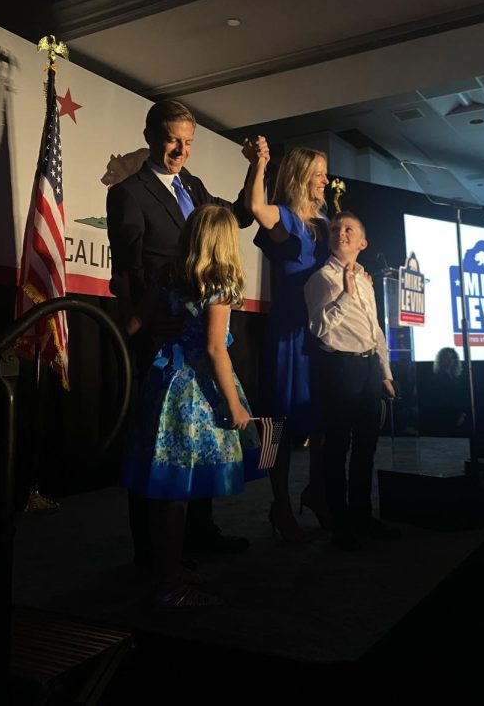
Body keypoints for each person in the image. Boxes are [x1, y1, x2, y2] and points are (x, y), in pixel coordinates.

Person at [107, 99, 268, 562]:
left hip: (197, 339)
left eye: (188, 142)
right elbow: (127, 270)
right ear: (150, 136)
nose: (180, 150)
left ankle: (199, 534)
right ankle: (150, 553)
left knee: (200, 438)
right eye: (172, 139)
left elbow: (237, 215)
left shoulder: (193, 185)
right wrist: (150, 316)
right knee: (155, 446)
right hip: (163, 338)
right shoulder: (127, 192)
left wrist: (258, 166)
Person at [121, 205, 263, 608]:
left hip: (161, 387)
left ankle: (166, 567)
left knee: (163, 487)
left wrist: (125, 306)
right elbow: (215, 347)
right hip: (193, 395)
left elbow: (136, 323)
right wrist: (235, 405)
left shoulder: (168, 275)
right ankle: (168, 584)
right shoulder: (218, 282)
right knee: (177, 492)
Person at [243, 144, 330, 542]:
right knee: (277, 422)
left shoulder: (326, 222)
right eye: (319, 173)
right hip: (288, 333)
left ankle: (315, 491)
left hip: (319, 333)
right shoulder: (285, 217)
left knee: (322, 419)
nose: (325, 181)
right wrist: (260, 164)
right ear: (300, 176)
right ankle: (278, 502)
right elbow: (256, 206)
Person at [304, 212, 401, 551]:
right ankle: (340, 524)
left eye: (348, 230)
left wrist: (386, 372)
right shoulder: (320, 279)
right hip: (340, 369)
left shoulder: (365, 279)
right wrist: (344, 295)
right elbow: (320, 329)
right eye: (334, 229)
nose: (340, 233)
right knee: (338, 448)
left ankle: (362, 516)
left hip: (369, 369)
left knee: (366, 448)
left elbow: (375, 330)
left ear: (363, 243)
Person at [424, 347, 469, 436]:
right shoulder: (437, 378)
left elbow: (461, 397)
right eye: (447, 357)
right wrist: (457, 415)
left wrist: (462, 413)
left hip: (459, 416)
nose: (449, 360)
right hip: (445, 417)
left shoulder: (456, 378)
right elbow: (443, 400)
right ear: (441, 359)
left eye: (452, 357)